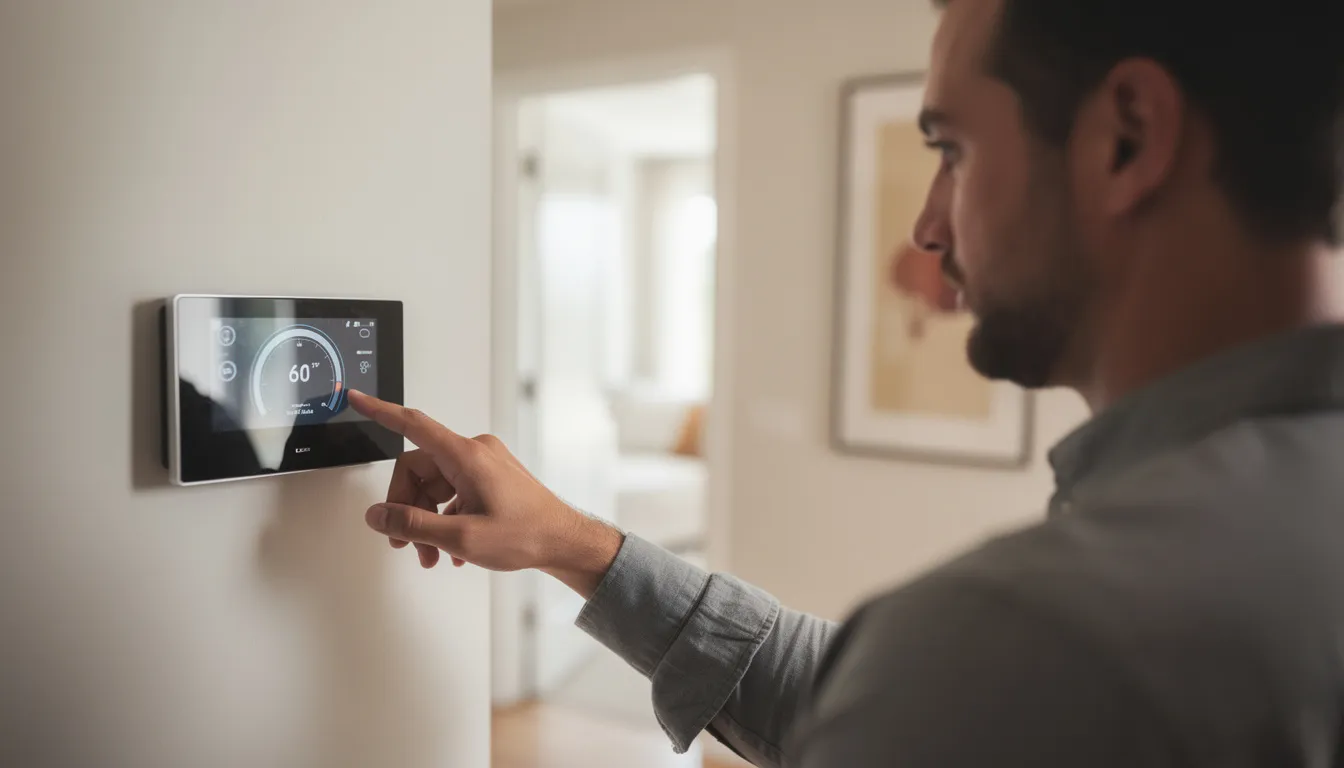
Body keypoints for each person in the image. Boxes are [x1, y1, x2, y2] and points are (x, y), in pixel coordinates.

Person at [350, 0, 1344, 763]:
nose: (927, 226)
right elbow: (891, 694)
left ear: (1126, 138)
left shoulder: (1043, 639)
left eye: (952, 150)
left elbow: (941, 688)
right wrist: (576, 544)